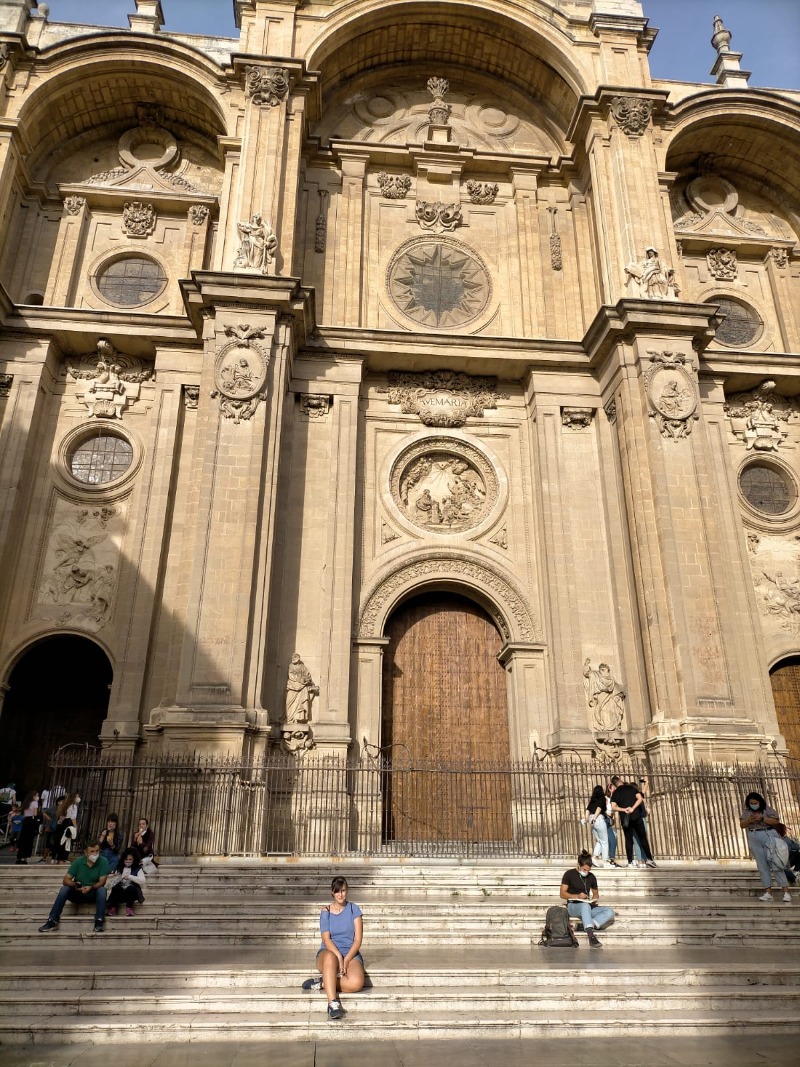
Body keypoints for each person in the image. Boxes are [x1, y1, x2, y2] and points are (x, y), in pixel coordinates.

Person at [301, 876, 364, 1020]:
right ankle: (333, 1004)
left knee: (356, 983)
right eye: (337, 892)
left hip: (351, 953)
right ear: (332, 893)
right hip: (328, 952)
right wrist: (339, 957)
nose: (340, 894)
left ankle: (323, 982)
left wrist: (347, 958)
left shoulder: (354, 909)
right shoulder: (326, 911)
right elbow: (326, 939)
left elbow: (358, 940)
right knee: (330, 956)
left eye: (343, 891)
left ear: (347, 891)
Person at [38, 840, 109, 933]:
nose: (95, 854)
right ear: (86, 852)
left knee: (102, 890)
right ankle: (52, 920)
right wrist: (75, 885)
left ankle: (99, 921)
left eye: (97, 851)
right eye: (92, 851)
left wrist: (91, 887)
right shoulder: (78, 862)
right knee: (64, 889)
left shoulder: (103, 861)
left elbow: (102, 882)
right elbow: (66, 880)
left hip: (93, 892)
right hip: (78, 892)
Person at [739, 792, 791, 903]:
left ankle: (786, 892)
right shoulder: (747, 812)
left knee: (776, 863)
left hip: (767, 834)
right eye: (751, 803)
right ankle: (768, 893)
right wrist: (749, 820)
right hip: (754, 836)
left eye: (755, 803)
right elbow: (741, 824)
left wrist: (762, 818)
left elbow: (775, 821)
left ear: (760, 802)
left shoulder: (767, 810)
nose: (753, 805)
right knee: (762, 866)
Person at [560, 850, 615, 948]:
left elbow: (596, 893)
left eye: (588, 870)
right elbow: (562, 894)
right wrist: (577, 896)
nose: (586, 872)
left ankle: (584, 925)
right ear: (578, 865)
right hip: (573, 905)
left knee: (609, 911)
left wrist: (594, 900)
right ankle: (591, 936)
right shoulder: (569, 874)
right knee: (585, 906)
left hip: (587, 905)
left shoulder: (592, 877)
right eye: (584, 869)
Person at [611, 779, 656, 868]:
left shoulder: (616, 793)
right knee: (643, 838)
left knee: (628, 840)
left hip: (625, 818)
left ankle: (630, 862)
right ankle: (650, 860)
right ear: (621, 780)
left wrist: (624, 809)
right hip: (636, 816)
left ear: (614, 785)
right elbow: (640, 798)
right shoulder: (631, 788)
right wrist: (632, 808)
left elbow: (613, 807)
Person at [106, 848, 146, 917]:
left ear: (134, 859)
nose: (128, 861)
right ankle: (113, 908)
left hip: (131, 894)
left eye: (130, 859)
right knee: (116, 888)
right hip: (120, 893)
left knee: (131, 888)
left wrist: (130, 877)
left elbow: (142, 880)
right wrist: (115, 876)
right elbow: (111, 883)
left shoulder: (137, 869)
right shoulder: (120, 868)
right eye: (126, 859)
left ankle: (129, 908)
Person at [585, 784, 610, 865]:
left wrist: (586, 819)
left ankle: (594, 858)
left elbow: (588, 810)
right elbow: (599, 808)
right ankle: (605, 861)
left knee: (600, 840)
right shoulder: (602, 798)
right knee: (605, 841)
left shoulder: (592, 800)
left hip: (591, 819)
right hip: (598, 819)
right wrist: (595, 819)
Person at [15, 790, 40, 864]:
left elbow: (21, 810)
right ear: (33, 796)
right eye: (36, 795)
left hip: (26, 820)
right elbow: (35, 814)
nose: (37, 797)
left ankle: (20, 856)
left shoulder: (26, 803)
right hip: (32, 821)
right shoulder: (35, 803)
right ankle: (25, 857)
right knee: (29, 840)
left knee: (23, 839)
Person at [54, 793, 81, 862]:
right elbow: (73, 818)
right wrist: (75, 827)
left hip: (63, 824)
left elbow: (61, 817)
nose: (78, 798)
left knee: (62, 840)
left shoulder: (64, 805)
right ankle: (63, 858)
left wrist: (60, 824)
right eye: (77, 797)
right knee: (67, 841)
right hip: (69, 823)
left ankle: (58, 858)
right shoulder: (73, 806)